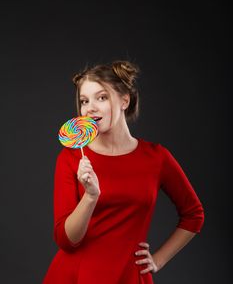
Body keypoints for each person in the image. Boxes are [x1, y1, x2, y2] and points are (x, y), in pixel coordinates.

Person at [42, 60, 204, 283]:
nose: (90, 108)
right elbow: (66, 240)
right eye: (84, 100)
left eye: (102, 97)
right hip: (76, 275)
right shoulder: (71, 158)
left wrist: (159, 259)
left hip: (129, 275)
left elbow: (193, 215)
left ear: (124, 100)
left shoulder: (156, 157)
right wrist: (90, 197)